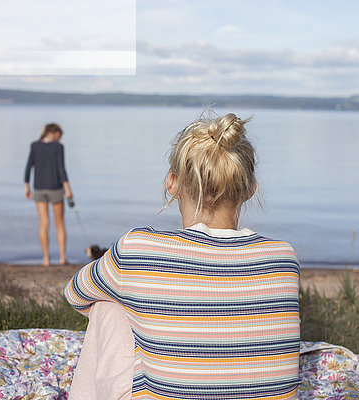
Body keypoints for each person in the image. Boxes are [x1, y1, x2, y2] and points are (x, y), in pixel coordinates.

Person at [64, 112, 301, 399]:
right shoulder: (283, 257)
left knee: (109, 305)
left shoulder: (138, 248)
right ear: (250, 188)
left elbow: (75, 294)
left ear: (172, 183)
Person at [24, 123, 73, 266]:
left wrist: (26, 185)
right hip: (55, 188)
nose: (60, 138)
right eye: (60, 135)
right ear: (55, 133)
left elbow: (28, 166)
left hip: (39, 188)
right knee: (60, 224)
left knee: (43, 224)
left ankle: (46, 259)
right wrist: (68, 188)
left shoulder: (35, 146)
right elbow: (61, 168)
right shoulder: (59, 147)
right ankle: (62, 257)